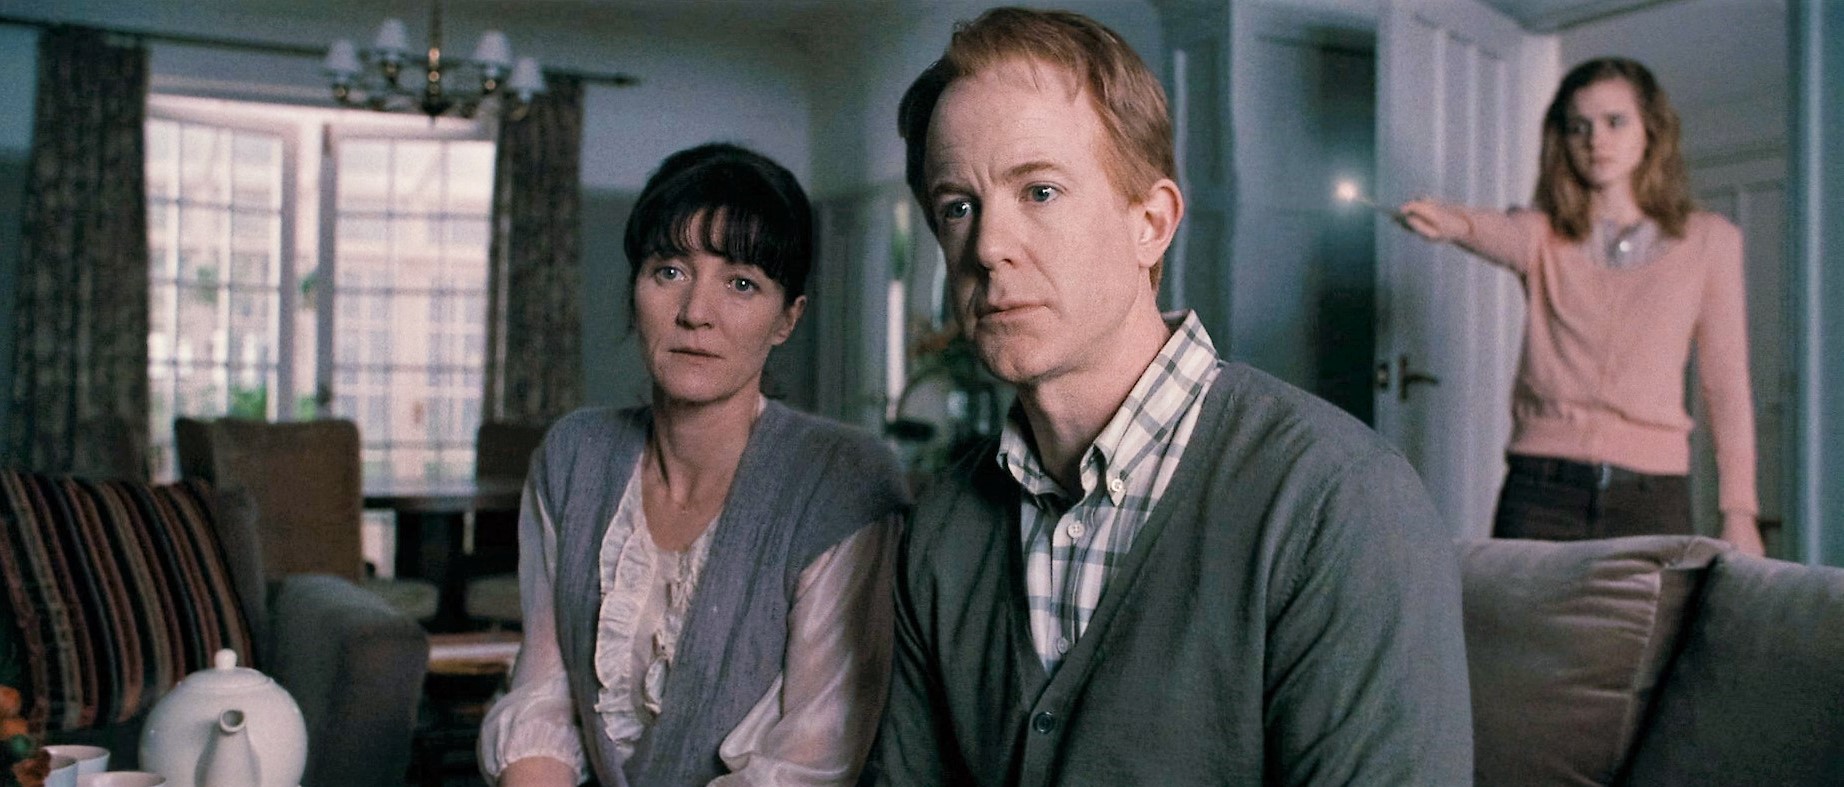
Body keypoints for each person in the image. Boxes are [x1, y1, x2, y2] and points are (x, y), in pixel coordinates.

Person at [870, 8, 1472, 785]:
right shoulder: (945, 526)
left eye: (1040, 191)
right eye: (958, 206)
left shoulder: (1338, 503)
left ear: (1151, 223)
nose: (987, 247)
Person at [478, 143, 909, 786]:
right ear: (634, 288)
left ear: (787, 318)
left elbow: (807, 766)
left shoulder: (842, 481)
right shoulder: (574, 457)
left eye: (741, 284)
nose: (696, 313)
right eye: (670, 272)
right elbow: (544, 694)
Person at [1397, 57, 1764, 555]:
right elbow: (1490, 229)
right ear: (1563, 140)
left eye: (1615, 121)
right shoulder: (1541, 235)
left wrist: (1739, 511)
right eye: (1579, 127)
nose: (1596, 141)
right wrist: (1449, 221)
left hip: (1651, 496)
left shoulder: (1710, 241)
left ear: (1651, 130)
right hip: (1540, 489)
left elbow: (1726, 384)